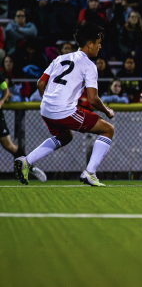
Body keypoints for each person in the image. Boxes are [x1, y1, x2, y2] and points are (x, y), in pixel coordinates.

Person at [14, 23, 115, 187]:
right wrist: (107, 110)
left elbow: (40, 84)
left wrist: (49, 101)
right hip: (63, 110)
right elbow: (92, 98)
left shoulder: (60, 58)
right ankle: (90, 173)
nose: (100, 46)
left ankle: (26, 161)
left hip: (45, 108)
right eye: (98, 42)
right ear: (89, 44)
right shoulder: (89, 65)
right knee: (107, 129)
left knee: (65, 136)